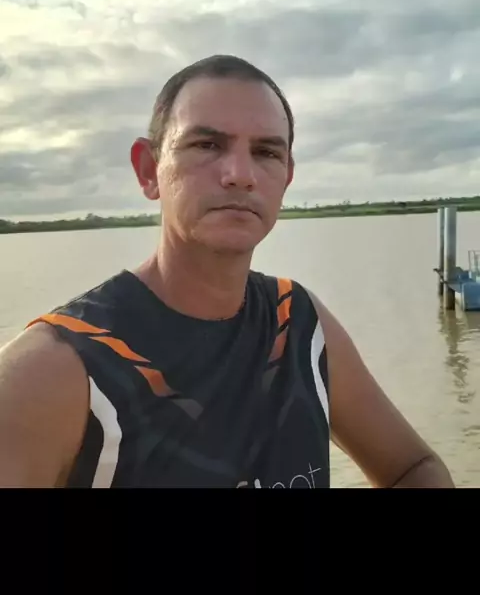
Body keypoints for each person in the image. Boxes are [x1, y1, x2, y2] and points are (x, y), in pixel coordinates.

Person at [0, 55, 455, 488]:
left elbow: (412, 467)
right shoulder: (55, 370)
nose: (240, 174)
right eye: (207, 145)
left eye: (266, 152)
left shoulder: (298, 324)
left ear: (286, 176)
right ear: (149, 170)